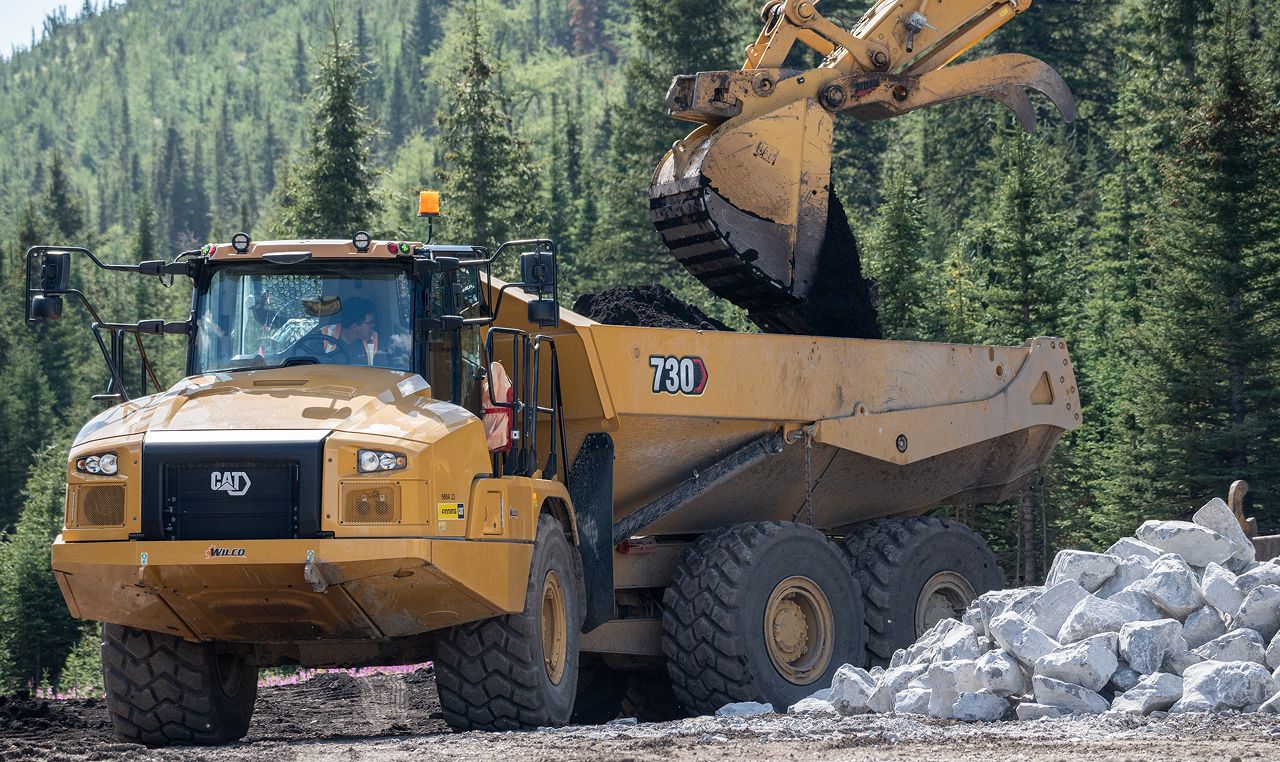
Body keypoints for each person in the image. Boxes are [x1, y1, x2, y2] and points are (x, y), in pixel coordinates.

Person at [319, 297, 379, 365]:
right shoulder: (322, 337)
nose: (373, 325)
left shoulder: (374, 341)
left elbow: (381, 372)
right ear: (355, 325)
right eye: (370, 323)